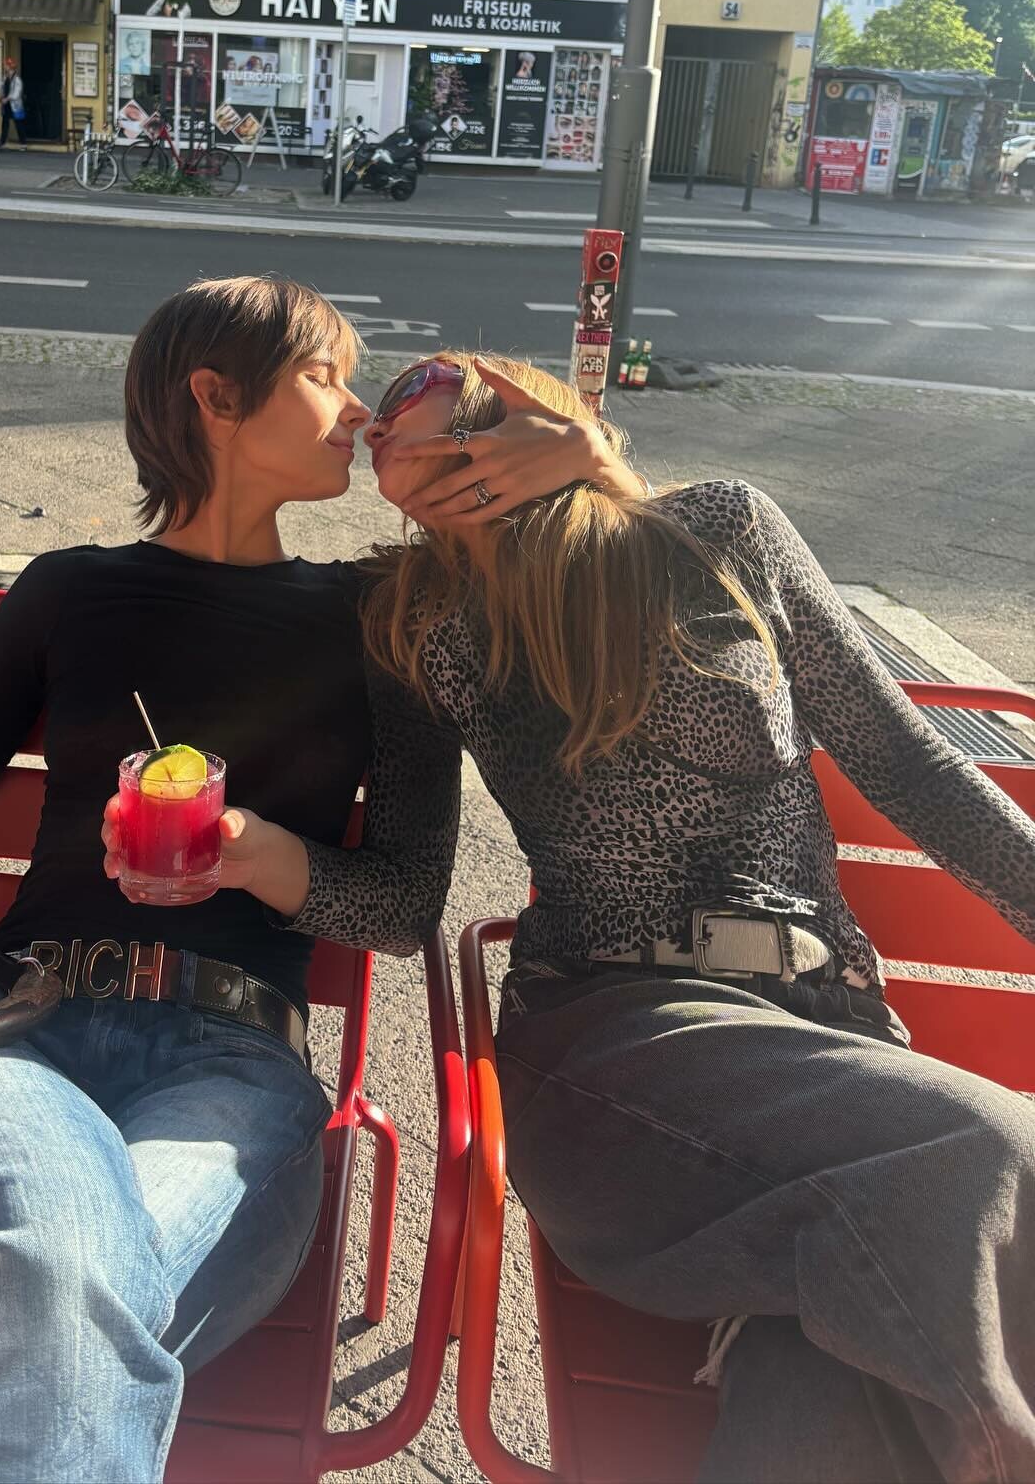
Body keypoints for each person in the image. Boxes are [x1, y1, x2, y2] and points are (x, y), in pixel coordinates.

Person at [0, 289, 611, 1482]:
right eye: (326, 376)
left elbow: (400, 905)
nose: (355, 411)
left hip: (235, 1074)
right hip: (9, 1032)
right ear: (216, 396)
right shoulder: (68, 592)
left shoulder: (382, 621)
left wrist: (259, 853)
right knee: (41, 1259)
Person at [182, 351, 1035, 1484]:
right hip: (615, 1036)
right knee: (992, 1153)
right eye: (381, 416)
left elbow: (908, 762)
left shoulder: (721, 529)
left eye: (427, 391)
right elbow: (400, 900)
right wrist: (263, 859)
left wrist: (604, 469)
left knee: (828, 1389)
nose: (385, 419)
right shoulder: (415, 617)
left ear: (519, 414)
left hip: (832, 1030)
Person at [0, 56, 28, 149]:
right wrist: (1, 96)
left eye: (6, 65)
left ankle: (23, 143)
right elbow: (1, 89)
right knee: (5, 124)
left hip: (15, 105)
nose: (5, 67)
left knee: (19, 124)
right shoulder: (5, 79)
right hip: (6, 105)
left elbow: (16, 94)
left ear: (10, 67)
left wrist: (7, 98)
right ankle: (2, 142)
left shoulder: (17, 80)